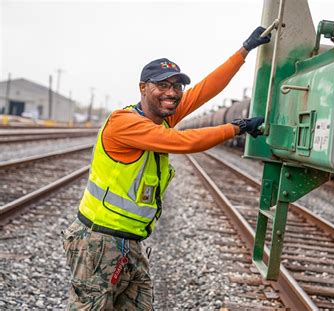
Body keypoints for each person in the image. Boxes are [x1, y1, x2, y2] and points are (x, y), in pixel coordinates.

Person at [62, 26, 271, 310]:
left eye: (176, 86)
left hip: (131, 243)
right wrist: (236, 127)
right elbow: (182, 142)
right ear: (143, 88)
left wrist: (243, 51)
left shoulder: (162, 118)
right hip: (98, 242)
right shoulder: (124, 123)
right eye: (162, 85)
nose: (171, 93)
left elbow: (203, 91)